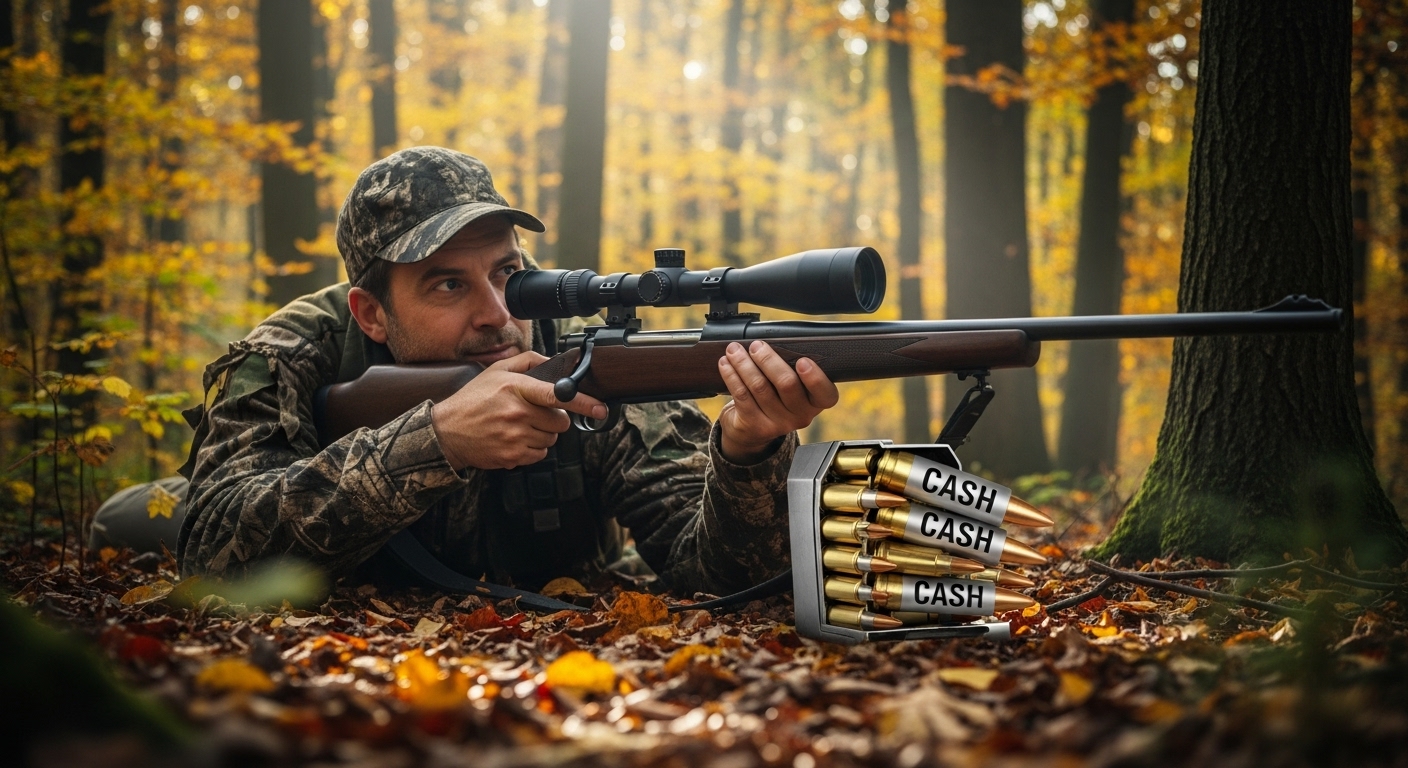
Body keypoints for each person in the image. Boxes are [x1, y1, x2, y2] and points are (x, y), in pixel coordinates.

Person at [172, 147, 840, 596]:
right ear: (371, 314)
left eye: (507, 273)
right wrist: (433, 443)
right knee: (133, 520)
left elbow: (716, 576)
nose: (497, 314)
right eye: (447, 286)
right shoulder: (289, 355)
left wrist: (747, 452)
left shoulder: (584, 355)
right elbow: (210, 561)